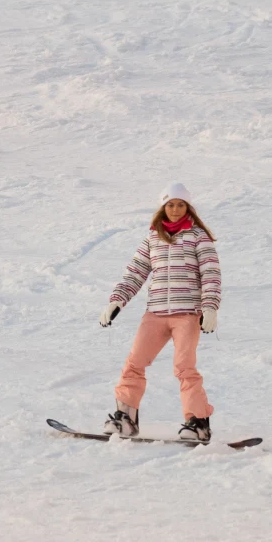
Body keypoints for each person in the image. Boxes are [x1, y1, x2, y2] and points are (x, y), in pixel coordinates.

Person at [98, 182, 222, 441]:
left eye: (180, 204)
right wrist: (116, 301)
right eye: (170, 204)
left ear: (188, 207)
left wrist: (210, 307)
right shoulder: (153, 238)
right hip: (155, 313)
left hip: (187, 314)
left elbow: (210, 274)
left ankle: (198, 423)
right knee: (134, 364)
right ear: (163, 207)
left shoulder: (198, 237)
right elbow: (135, 272)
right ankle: (126, 418)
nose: (175, 209)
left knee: (184, 368)